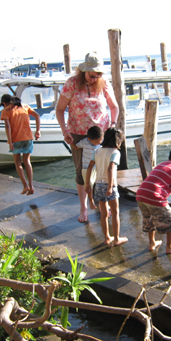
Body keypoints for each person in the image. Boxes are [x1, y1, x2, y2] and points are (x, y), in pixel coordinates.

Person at [56, 52, 119, 223]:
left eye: (98, 75)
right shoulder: (72, 84)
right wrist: (65, 131)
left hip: (102, 134)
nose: (95, 78)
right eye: (92, 75)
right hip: (78, 133)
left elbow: (114, 107)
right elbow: (60, 109)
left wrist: (113, 125)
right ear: (84, 71)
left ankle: (102, 204)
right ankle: (84, 208)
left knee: (103, 170)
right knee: (82, 172)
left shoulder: (103, 83)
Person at [136, 146, 171, 254]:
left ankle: (152, 243)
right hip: (154, 196)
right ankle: (169, 247)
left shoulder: (162, 164)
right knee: (170, 218)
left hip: (141, 194)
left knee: (149, 218)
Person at [85, 127, 128, 246]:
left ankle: (107, 238)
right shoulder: (115, 152)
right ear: (117, 141)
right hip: (110, 186)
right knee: (115, 213)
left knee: (103, 214)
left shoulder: (97, 150)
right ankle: (117, 239)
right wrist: (110, 187)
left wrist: (88, 183)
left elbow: (89, 167)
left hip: (98, 185)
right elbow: (110, 168)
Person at [0, 95, 41, 195]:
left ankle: (25, 186)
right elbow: (37, 116)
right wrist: (38, 131)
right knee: (27, 161)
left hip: (16, 139)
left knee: (18, 162)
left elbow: (7, 126)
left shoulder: (6, 111)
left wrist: (10, 141)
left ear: (4, 103)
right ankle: (31, 186)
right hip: (28, 137)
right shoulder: (25, 106)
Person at [75, 125, 104, 210]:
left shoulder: (103, 141)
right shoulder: (84, 142)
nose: (99, 143)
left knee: (101, 184)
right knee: (88, 186)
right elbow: (76, 146)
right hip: (87, 167)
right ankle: (91, 201)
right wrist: (70, 142)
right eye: (97, 142)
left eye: (101, 141)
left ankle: (103, 205)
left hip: (98, 166)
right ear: (89, 139)